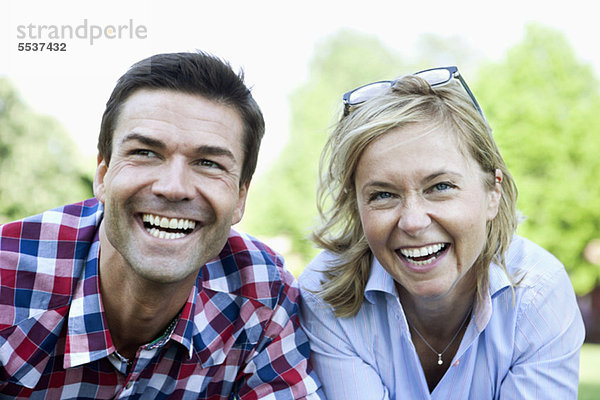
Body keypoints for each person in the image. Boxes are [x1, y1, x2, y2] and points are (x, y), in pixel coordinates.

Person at [0, 52, 323, 399]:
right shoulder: (8, 281)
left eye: (208, 163)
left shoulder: (262, 295)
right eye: (145, 153)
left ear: (241, 197)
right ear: (103, 175)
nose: (173, 187)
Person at [299, 66, 585, 399]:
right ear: (357, 207)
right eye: (383, 194)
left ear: (493, 194)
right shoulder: (325, 291)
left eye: (440, 186)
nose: (413, 221)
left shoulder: (539, 291)